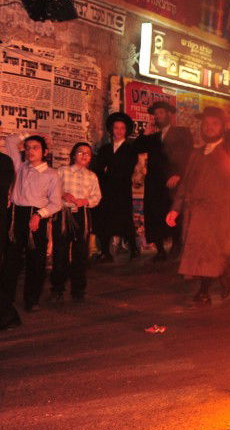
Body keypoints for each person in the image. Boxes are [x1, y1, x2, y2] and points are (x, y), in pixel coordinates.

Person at [166, 107, 230, 306]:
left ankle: (204, 291)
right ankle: (223, 274)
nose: (209, 128)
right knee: (201, 253)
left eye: (214, 124)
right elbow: (185, 184)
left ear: (222, 128)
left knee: (208, 254)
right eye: (206, 124)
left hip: (218, 214)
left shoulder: (229, 153)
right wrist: (175, 209)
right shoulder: (196, 153)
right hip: (195, 213)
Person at [0, 133, 62, 327]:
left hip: (37, 218)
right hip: (16, 217)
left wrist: (39, 215)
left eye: (35, 147)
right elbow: (10, 141)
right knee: (11, 261)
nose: (30, 151)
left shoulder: (51, 174)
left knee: (36, 261)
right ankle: (5, 301)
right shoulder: (20, 167)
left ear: (45, 152)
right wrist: (27, 134)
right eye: (27, 147)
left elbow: (56, 204)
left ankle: (31, 299)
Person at [138, 101, 193, 260]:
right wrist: (145, 134)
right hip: (155, 182)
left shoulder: (182, 132)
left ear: (169, 114)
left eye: (161, 113)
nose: (157, 117)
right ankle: (160, 249)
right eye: (155, 114)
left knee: (173, 212)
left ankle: (176, 244)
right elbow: (136, 148)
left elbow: (188, 155)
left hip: (172, 181)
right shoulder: (153, 137)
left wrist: (179, 174)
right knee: (155, 214)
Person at [50, 142, 101, 302]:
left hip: (82, 215)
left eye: (87, 153)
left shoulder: (92, 176)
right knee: (60, 252)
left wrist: (85, 201)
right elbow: (52, 190)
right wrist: (63, 195)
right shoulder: (62, 171)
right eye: (80, 152)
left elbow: (97, 197)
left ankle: (78, 289)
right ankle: (57, 289)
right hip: (64, 215)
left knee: (81, 253)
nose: (84, 155)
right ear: (73, 155)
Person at [91, 112, 140, 262]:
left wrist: (109, 169)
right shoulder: (105, 148)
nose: (118, 131)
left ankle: (134, 249)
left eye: (122, 128)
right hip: (105, 189)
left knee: (124, 219)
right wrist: (107, 170)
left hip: (121, 190)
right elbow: (99, 168)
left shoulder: (130, 149)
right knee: (104, 219)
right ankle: (105, 252)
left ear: (126, 131)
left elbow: (126, 169)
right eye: (116, 128)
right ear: (111, 130)